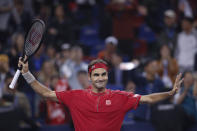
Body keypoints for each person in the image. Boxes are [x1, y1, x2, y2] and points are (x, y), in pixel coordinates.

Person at [18, 57, 183, 131]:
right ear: (90, 77)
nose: (100, 78)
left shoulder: (120, 97)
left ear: (107, 76)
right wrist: (26, 74)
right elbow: (46, 94)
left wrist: (170, 93)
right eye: (96, 75)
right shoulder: (76, 96)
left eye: (103, 74)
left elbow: (148, 98)